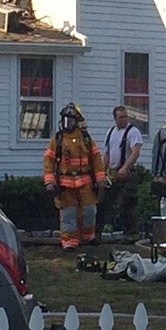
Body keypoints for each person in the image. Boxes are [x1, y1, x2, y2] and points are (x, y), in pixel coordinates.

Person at [43, 103, 106, 252]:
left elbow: (96, 158)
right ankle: (69, 241)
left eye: (70, 120)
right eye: (65, 120)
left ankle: (88, 236)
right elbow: (48, 161)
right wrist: (50, 181)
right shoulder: (57, 139)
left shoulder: (85, 139)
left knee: (90, 210)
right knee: (68, 213)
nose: (67, 123)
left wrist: (100, 178)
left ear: (77, 121)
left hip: (85, 182)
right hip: (65, 185)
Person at [96, 105, 145, 239]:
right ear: (115, 118)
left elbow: (135, 152)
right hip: (112, 172)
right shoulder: (111, 132)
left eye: (125, 117)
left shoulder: (133, 132)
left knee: (126, 203)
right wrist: (102, 173)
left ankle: (131, 233)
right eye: (121, 117)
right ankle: (97, 233)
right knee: (102, 202)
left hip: (127, 173)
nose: (124, 120)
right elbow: (107, 154)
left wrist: (125, 167)